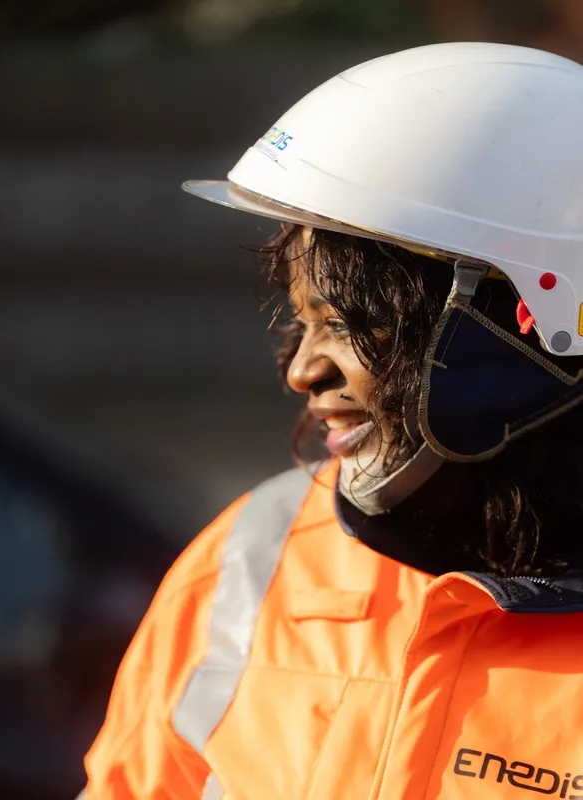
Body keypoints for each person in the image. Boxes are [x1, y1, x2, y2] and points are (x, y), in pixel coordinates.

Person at [80, 41, 583, 799]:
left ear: (525, 323)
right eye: (300, 318)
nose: (301, 370)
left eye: (349, 321)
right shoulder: (253, 557)